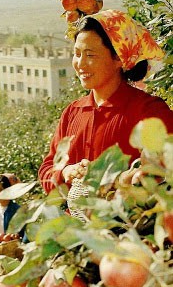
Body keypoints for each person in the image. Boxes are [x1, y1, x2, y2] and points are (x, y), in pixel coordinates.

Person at [38, 10, 173, 194]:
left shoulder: (150, 112)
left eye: (90, 55)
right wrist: (66, 172)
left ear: (119, 57)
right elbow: (47, 170)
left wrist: (135, 179)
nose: (80, 63)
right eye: (77, 54)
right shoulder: (73, 113)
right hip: (74, 222)